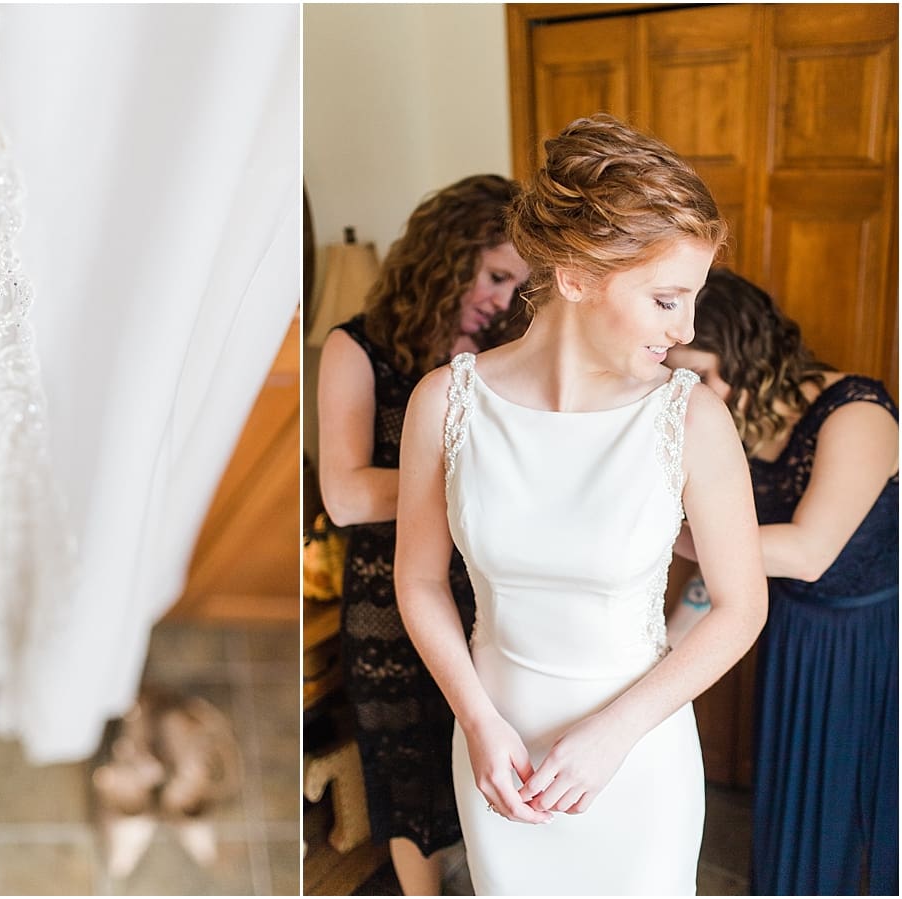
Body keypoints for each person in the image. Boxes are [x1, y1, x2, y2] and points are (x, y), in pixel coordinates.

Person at [394, 114, 768, 895]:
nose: (688, 328)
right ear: (574, 277)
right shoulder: (446, 402)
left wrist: (614, 735)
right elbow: (422, 580)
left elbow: (741, 606)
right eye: (667, 299)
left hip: (637, 762)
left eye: (692, 299)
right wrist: (477, 720)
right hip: (500, 754)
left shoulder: (689, 417)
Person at [317, 174, 530, 895]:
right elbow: (344, 495)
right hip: (390, 596)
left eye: (516, 285)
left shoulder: (507, 354)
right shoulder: (356, 348)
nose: (504, 299)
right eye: (497, 275)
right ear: (449, 253)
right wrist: (465, 481)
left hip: (493, 589)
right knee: (407, 767)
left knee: (495, 753)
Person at [666, 267, 898, 896]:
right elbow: (722, 569)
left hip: (873, 644)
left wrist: (655, 532)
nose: (688, 392)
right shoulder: (728, 429)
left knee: (861, 814)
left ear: (750, 358)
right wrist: (662, 653)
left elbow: (805, 552)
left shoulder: (857, 412)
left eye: (701, 375)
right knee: (795, 801)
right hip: (793, 635)